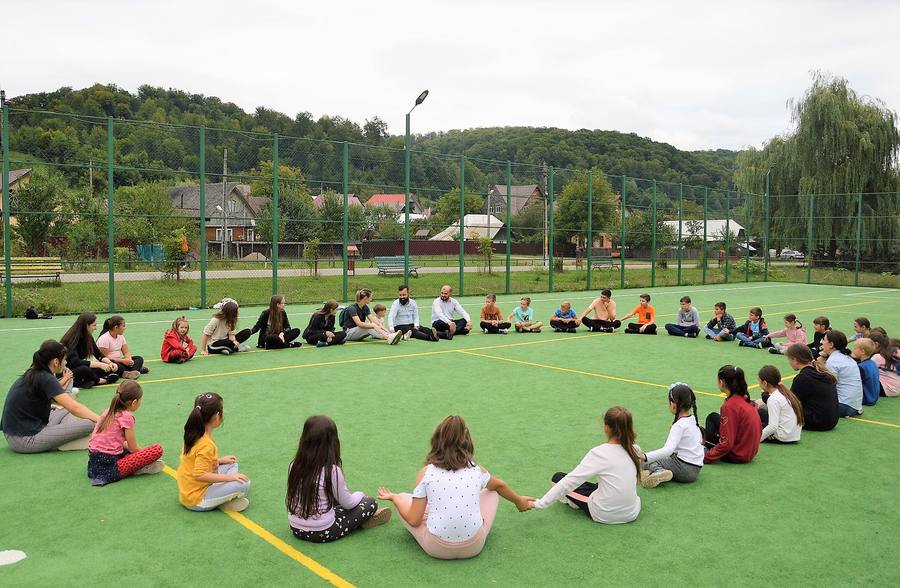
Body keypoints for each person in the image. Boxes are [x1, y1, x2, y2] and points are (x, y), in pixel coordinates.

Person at [377, 416, 533, 559]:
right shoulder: (477, 470)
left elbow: (414, 520)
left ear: (436, 441)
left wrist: (395, 498)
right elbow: (500, 485)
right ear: (467, 442)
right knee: (492, 492)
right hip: (474, 547)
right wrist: (518, 500)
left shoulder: (426, 473)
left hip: (436, 548)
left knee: (403, 497)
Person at [287, 415, 391, 543]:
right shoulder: (332, 471)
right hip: (323, 531)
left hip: (296, 528)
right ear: (332, 443)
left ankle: (361, 520)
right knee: (369, 503)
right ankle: (364, 520)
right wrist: (360, 495)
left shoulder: (293, 465)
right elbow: (348, 504)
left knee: (330, 495)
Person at [531, 406, 641, 524]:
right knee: (602, 484)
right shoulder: (635, 449)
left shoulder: (599, 453)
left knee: (557, 478)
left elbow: (569, 481)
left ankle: (573, 502)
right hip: (632, 512)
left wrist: (538, 504)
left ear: (606, 427)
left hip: (605, 513)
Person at [1, 340, 100, 453]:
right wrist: (102, 420)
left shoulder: (34, 371)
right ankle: (69, 440)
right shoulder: (46, 378)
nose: (66, 362)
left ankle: (67, 438)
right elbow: (75, 408)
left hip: (16, 433)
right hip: (26, 439)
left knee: (65, 411)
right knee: (90, 423)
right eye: (64, 359)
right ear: (56, 362)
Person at [177, 392, 251, 512]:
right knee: (244, 483)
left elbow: (193, 460)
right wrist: (230, 477)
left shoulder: (192, 432)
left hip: (188, 491)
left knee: (232, 464)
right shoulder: (206, 444)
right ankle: (221, 501)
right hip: (197, 500)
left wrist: (219, 461)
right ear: (217, 416)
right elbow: (199, 475)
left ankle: (220, 496)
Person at [87, 381, 164, 486]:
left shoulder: (108, 410)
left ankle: (134, 464)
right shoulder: (127, 417)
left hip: (93, 463)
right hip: (109, 467)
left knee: (126, 449)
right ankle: (137, 467)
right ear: (134, 402)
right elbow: (133, 448)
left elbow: (118, 442)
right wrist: (144, 455)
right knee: (156, 450)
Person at [638, 383, 703, 487]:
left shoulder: (679, 425)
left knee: (646, 462)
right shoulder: (693, 419)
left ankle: (658, 470)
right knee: (664, 458)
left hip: (684, 469)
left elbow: (668, 450)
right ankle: (652, 471)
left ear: (673, 405)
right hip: (696, 469)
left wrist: (645, 456)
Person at [703, 365, 761, 464]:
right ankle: (710, 446)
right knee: (712, 417)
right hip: (749, 451)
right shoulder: (745, 397)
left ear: (722, 382)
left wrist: (706, 457)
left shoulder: (729, 406)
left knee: (698, 431)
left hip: (736, 454)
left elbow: (727, 444)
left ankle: (707, 449)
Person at [784, 344, 839, 431]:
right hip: (832, 420)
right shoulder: (822, 372)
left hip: (817, 422)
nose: (789, 362)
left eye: (789, 359)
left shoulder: (803, 378)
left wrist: (767, 397)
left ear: (795, 360)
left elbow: (790, 403)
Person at [60, 312, 119, 388]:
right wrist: (100, 365)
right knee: (84, 369)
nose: (95, 328)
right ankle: (101, 381)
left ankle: (87, 381)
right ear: (86, 325)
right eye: (94, 325)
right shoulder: (72, 339)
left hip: (80, 369)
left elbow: (98, 354)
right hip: (67, 371)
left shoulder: (88, 337)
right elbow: (75, 362)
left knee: (107, 366)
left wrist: (110, 363)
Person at [817, 330, 863, 417]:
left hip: (844, 406)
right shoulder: (847, 357)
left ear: (831, 344)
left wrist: (819, 365)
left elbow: (828, 386)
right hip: (855, 405)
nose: (822, 342)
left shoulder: (833, 361)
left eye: (824, 340)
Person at [755, 365, 803, 443]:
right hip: (793, 434)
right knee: (761, 411)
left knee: (752, 425)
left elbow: (773, 427)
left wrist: (758, 438)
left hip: (782, 436)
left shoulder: (773, 399)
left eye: (759, 380)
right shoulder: (785, 392)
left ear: (764, 383)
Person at [852, 338, 880, 406]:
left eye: (855, 348)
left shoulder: (861, 367)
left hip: (866, 398)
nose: (853, 350)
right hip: (873, 396)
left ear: (862, 351)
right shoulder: (873, 363)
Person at [869, 332, 899, 397]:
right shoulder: (893, 354)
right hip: (896, 388)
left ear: (876, 344)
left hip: (885, 388)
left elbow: (867, 371)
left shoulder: (877, 357)